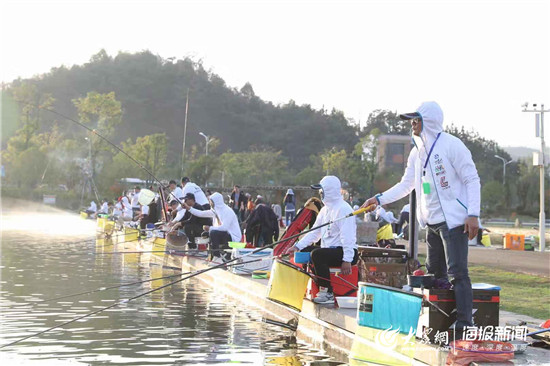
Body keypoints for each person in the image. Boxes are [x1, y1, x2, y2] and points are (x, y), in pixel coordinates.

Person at [361, 101, 480, 338]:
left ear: (429, 121)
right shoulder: (417, 151)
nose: (413, 124)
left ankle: (466, 322)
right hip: (432, 222)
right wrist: (379, 199)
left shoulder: (452, 145)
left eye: (417, 119)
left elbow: (472, 179)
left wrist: (473, 214)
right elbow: (407, 184)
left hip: (454, 221)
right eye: (411, 120)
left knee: (457, 271)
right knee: (435, 275)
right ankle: (439, 320)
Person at [285, 176, 358, 304]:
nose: (320, 194)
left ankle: (327, 292)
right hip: (329, 250)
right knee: (306, 251)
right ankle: (314, 286)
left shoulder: (344, 209)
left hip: (346, 252)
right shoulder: (324, 210)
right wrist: (297, 246)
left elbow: (348, 238)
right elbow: (314, 233)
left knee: (317, 255)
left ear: (329, 191)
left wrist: (347, 260)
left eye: (321, 190)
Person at [182, 192, 241, 264]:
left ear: (216, 202)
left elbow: (224, 228)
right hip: (223, 234)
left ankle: (217, 256)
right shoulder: (216, 211)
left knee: (213, 232)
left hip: (233, 236)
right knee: (207, 233)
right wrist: (189, 208)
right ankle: (211, 256)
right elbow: (201, 213)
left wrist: (210, 228)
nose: (210, 203)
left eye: (211, 202)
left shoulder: (227, 211)